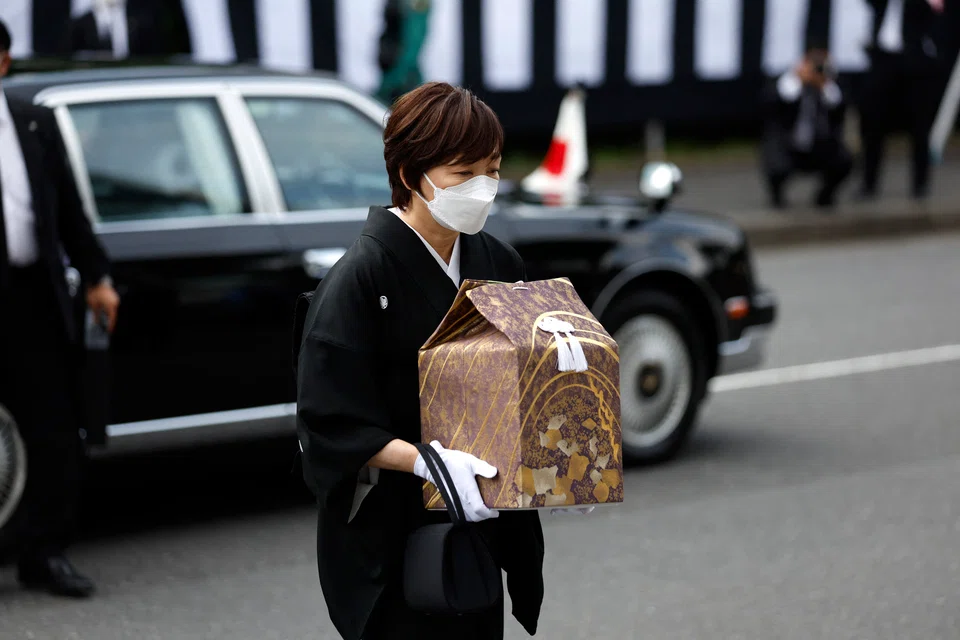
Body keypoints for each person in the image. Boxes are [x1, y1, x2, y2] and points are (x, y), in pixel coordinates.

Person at [296, 82, 545, 639]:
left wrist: (559, 464)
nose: (482, 189)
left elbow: (528, 377)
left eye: (493, 170)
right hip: (398, 533)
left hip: (482, 517)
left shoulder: (496, 259)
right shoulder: (359, 279)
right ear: (410, 175)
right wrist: (424, 463)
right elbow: (328, 420)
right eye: (463, 174)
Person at [0, 19, 119, 598]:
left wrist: (97, 275)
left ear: (3, 62)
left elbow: (68, 208)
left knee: (52, 429)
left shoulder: (32, 121)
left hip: (32, 297)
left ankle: (44, 552)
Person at [859, 0, 946, 201]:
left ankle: (920, 184)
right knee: (873, 123)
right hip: (882, 60)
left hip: (914, 62)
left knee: (919, 126)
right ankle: (868, 183)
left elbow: (937, 16)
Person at [761, 44, 853, 209]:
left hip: (821, 147)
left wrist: (824, 85)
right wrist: (797, 80)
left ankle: (824, 197)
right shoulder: (785, 83)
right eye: (812, 63)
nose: (815, 69)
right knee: (775, 164)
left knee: (845, 160)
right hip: (789, 146)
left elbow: (840, 107)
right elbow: (771, 106)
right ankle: (777, 198)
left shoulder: (831, 85)